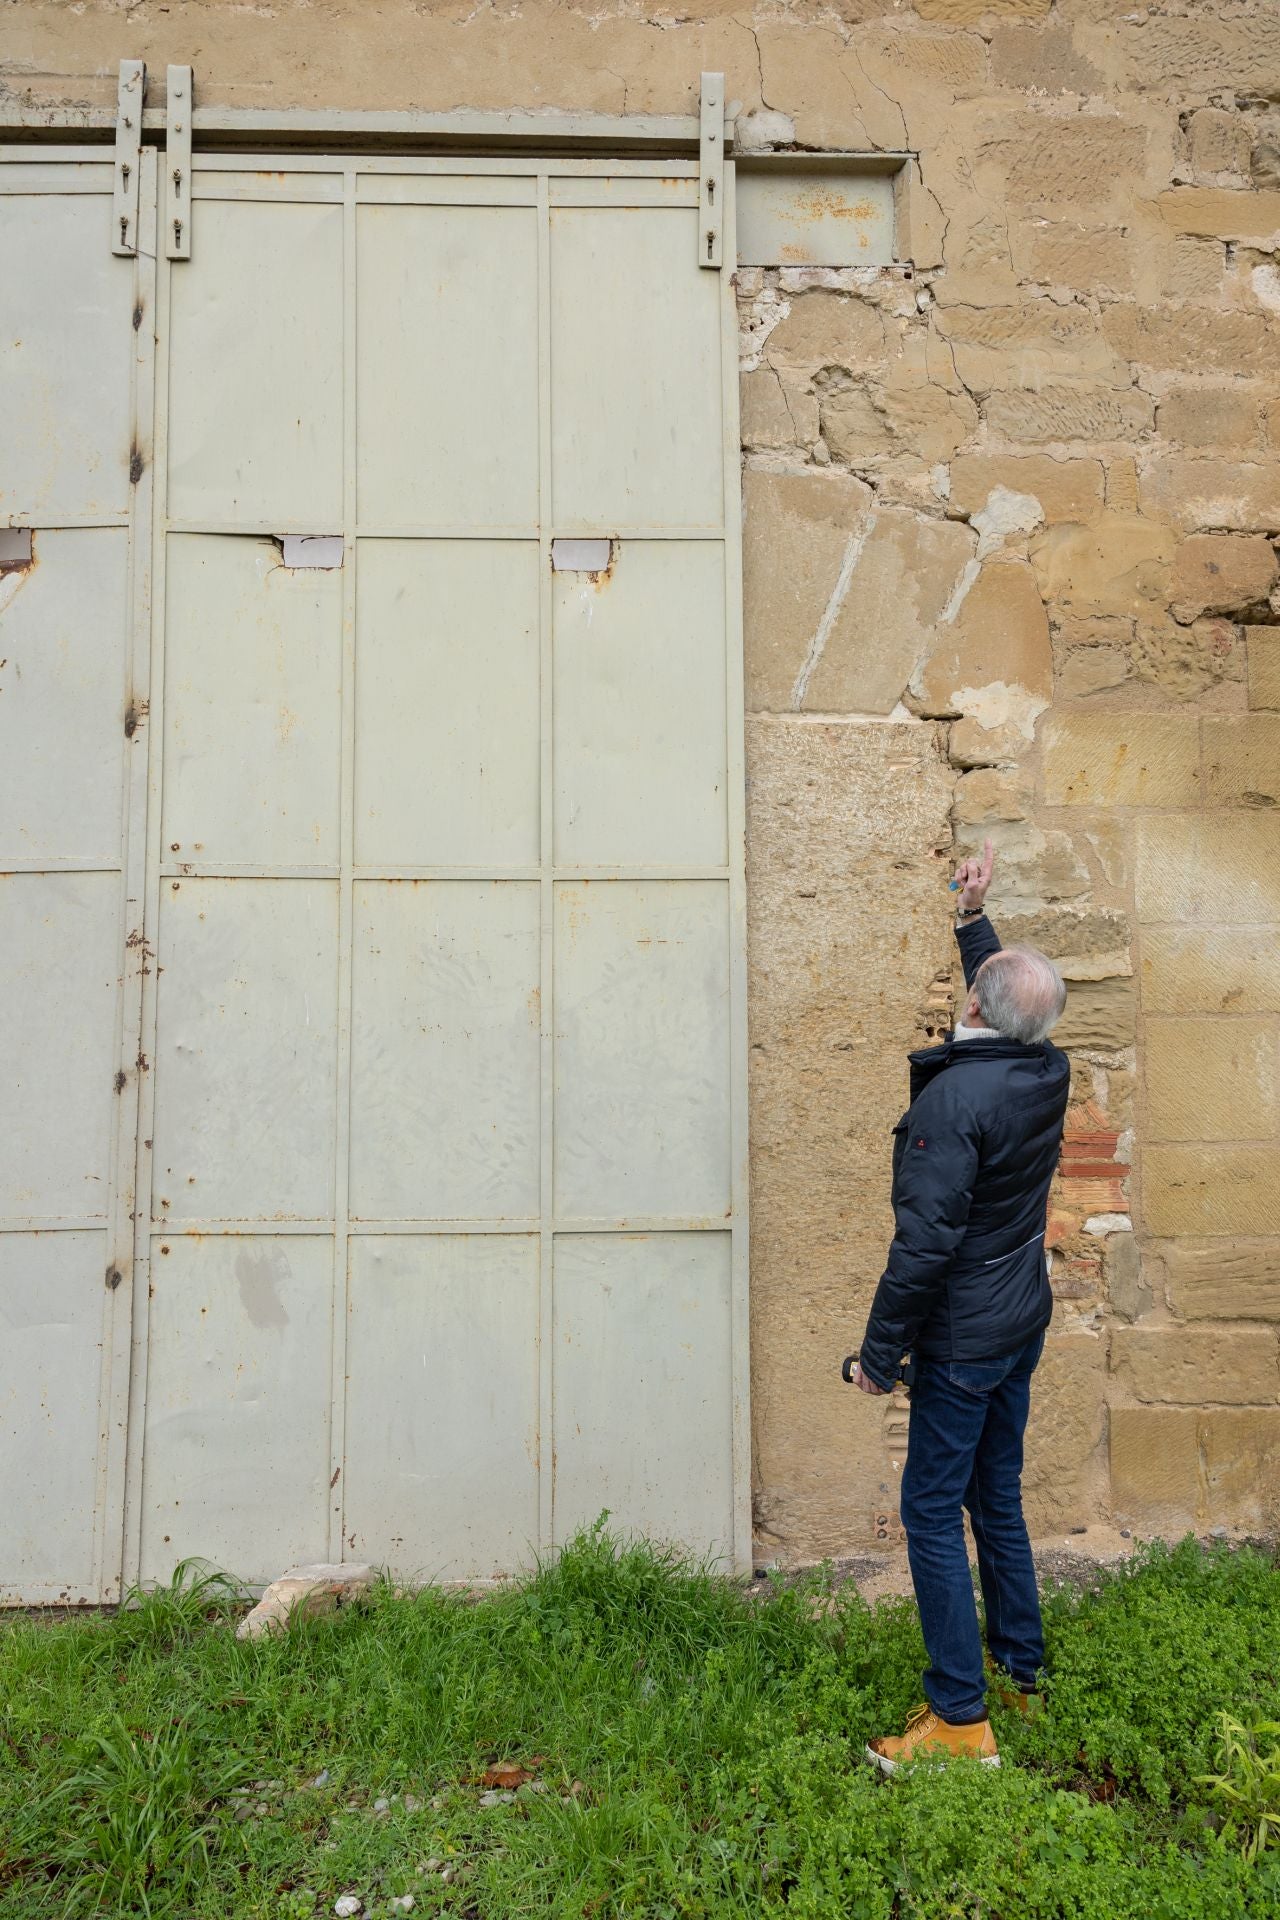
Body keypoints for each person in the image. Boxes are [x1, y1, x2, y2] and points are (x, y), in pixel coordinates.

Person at [851, 838, 1070, 1774]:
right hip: (1020, 1319)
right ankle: (1021, 1671)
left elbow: (925, 1247)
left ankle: (958, 1722)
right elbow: (1011, 993)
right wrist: (971, 915)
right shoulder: (1044, 1066)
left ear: (974, 1007)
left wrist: (879, 1354)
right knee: (998, 1496)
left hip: (967, 1338)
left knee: (933, 1510)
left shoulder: (957, 1103)